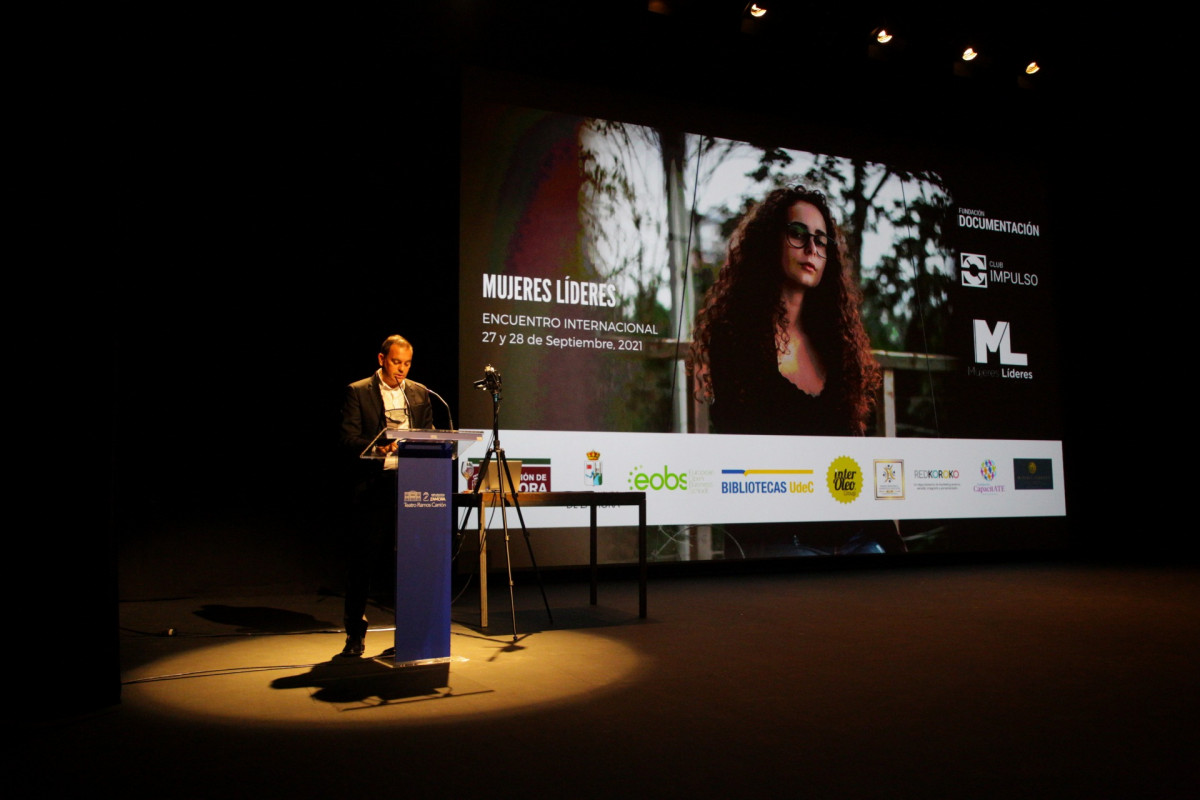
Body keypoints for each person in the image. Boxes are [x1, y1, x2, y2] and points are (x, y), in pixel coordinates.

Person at [690, 186, 901, 556]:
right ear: (771, 242)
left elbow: (856, 455)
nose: (812, 249)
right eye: (798, 234)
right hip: (782, 537)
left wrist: (891, 541)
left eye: (822, 240)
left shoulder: (836, 342)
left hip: (852, 534)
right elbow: (745, 460)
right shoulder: (735, 335)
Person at [337, 334, 434, 656]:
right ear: (381, 359)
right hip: (372, 487)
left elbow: (430, 435)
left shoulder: (420, 393)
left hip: (411, 486)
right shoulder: (358, 391)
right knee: (363, 563)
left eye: (407, 363)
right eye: (396, 362)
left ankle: (408, 633)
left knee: (407, 563)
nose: (401, 370)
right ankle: (354, 635)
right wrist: (378, 448)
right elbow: (347, 439)